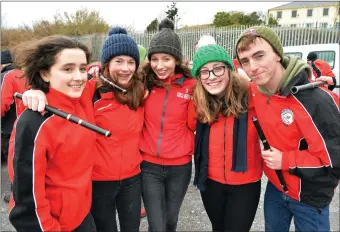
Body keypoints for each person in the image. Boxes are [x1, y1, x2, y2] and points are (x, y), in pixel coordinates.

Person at [21, 27, 147, 232]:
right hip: (98, 180)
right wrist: (34, 92)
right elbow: (59, 92)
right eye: (118, 61)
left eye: (131, 62)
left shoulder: (141, 90)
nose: (125, 68)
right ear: (106, 64)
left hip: (132, 177)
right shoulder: (90, 91)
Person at [236, 26, 340, 232]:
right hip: (276, 187)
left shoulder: (316, 100)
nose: (252, 67)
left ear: (277, 54)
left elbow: (334, 162)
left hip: (310, 197)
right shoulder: (256, 90)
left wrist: (285, 160)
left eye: (259, 56)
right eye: (245, 61)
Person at [7, 35, 97, 232]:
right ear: (45, 74)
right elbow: (26, 199)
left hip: (83, 216)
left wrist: (97, 66)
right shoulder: (33, 123)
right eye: (68, 69)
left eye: (82, 68)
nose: (79, 76)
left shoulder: (82, 97)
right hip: (55, 225)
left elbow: (114, 74)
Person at [191, 43, 263, 232]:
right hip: (211, 183)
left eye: (218, 68)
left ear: (229, 69)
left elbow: (281, 91)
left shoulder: (252, 95)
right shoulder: (198, 102)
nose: (212, 76)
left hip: (245, 185)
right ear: (199, 77)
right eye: (204, 72)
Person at [140, 18, 196, 232]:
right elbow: (110, 83)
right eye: (154, 59)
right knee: (157, 224)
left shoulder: (192, 86)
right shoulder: (142, 83)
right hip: (149, 167)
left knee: (171, 220)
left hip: (179, 167)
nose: (159, 66)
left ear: (177, 60)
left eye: (166, 59)